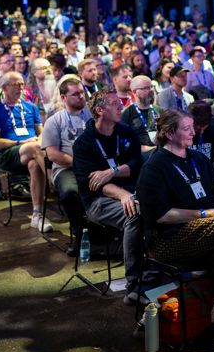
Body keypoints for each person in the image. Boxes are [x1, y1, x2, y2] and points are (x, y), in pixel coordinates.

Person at [136, 108, 214, 352]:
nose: (194, 132)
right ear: (169, 134)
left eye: (193, 127)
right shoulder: (154, 167)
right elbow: (160, 215)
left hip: (207, 232)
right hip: (167, 238)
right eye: (187, 129)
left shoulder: (197, 158)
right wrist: (203, 214)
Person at [73, 87, 156, 305]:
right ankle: (134, 285)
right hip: (97, 201)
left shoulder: (126, 131)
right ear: (99, 110)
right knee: (135, 214)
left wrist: (113, 171)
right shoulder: (84, 143)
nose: (121, 106)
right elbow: (94, 184)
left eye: (120, 102)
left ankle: (155, 269)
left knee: (160, 206)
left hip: (130, 190)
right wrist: (123, 195)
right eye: (114, 104)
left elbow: (137, 165)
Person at [0, 71, 50, 232]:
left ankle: (38, 215)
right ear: (4, 87)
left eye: (22, 84)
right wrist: (22, 142)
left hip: (34, 151)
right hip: (9, 155)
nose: (20, 88)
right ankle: (54, 179)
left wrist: (39, 140)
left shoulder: (31, 107)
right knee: (35, 148)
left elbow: (41, 131)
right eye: (16, 85)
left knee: (35, 164)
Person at [40, 75, 91, 254]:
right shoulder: (54, 121)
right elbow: (53, 154)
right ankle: (80, 234)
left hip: (95, 167)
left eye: (82, 93)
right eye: (75, 94)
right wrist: (81, 165)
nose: (81, 97)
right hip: (66, 169)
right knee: (70, 193)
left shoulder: (94, 117)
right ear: (63, 98)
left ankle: (107, 234)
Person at [120, 75, 164, 158]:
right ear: (135, 92)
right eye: (146, 88)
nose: (151, 90)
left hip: (161, 153)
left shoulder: (160, 111)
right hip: (140, 156)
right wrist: (154, 149)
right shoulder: (126, 114)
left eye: (151, 87)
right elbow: (127, 144)